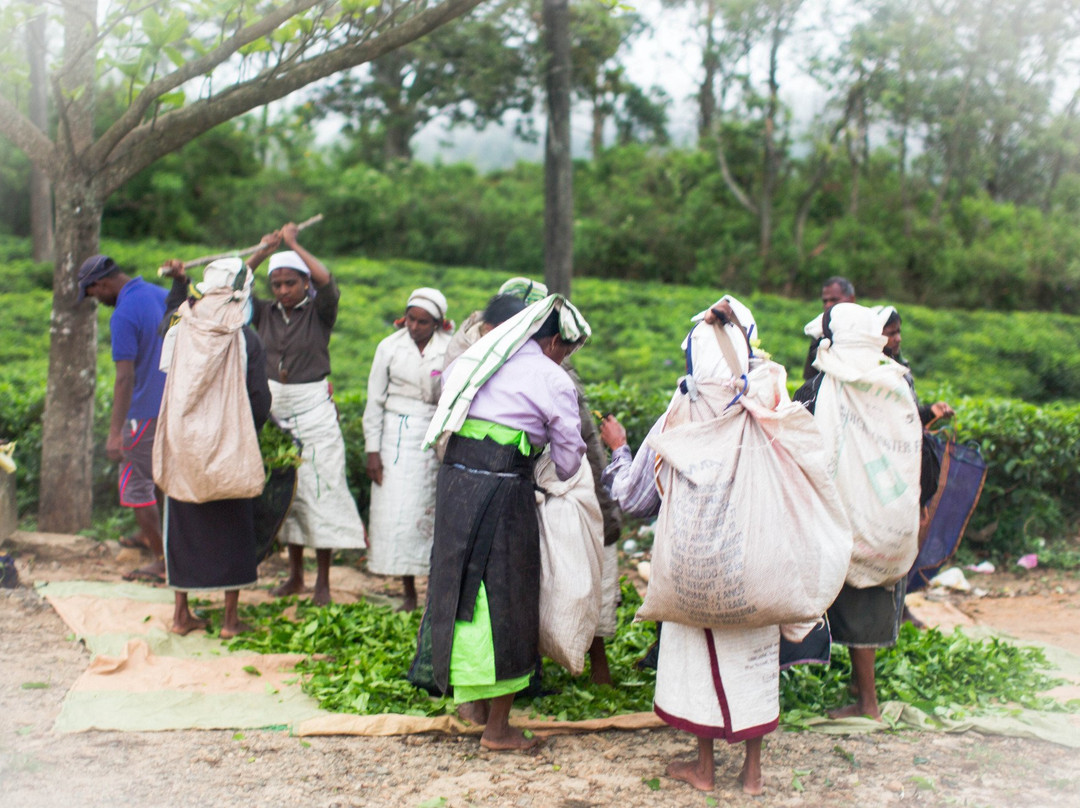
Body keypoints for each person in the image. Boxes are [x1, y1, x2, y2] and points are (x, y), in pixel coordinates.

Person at [599, 298, 777, 795]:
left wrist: (619, 450)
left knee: (700, 656)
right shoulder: (767, 406)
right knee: (752, 659)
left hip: (698, 566)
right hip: (757, 563)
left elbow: (634, 499)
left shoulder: (681, 414)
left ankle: (704, 767)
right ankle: (753, 774)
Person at [419, 295, 589, 751]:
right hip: (503, 493)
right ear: (553, 341)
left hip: (455, 486)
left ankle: (468, 704)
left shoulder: (471, 362)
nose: (564, 358)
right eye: (565, 350)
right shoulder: (551, 379)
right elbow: (570, 462)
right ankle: (497, 729)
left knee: (455, 588)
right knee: (506, 599)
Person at [794, 302, 921, 721]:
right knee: (861, 608)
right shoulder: (892, 380)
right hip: (884, 520)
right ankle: (861, 692)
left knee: (835, 601)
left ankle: (867, 704)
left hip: (846, 517)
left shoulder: (827, 387)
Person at [246, 223, 366, 606]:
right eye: (277, 284)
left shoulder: (320, 311)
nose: (282, 290)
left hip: (312, 406)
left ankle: (323, 583)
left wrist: (294, 244)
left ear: (303, 284)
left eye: (290, 283)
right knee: (285, 491)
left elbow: (328, 280)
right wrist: (264, 252)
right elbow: (233, 287)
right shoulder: (262, 312)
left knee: (321, 488)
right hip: (274, 407)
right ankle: (295, 577)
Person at [156, 258, 272, 637]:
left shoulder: (181, 323)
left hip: (183, 441)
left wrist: (179, 284)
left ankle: (181, 615)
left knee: (183, 524)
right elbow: (258, 397)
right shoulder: (244, 336)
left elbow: (164, 329)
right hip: (227, 446)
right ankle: (229, 620)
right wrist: (246, 434)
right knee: (233, 528)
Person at [77, 254, 168, 582]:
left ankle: (162, 560)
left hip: (142, 412)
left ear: (100, 284)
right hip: (171, 407)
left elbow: (124, 377)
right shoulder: (160, 293)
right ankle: (156, 542)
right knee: (161, 481)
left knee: (135, 485)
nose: (95, 300)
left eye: (92, 294)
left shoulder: (123, 314)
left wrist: (115, 433)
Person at [363, 288, 453, 612]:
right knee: (397, 514)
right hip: (394, 437)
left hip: (433, 435)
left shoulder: (449, 349)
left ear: (437, 323)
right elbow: (374, 400)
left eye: (423, 321)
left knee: (428, 513)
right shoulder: (389, 347)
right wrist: (373, 450)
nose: (414, 327)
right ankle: (407, 591)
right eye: (411, 319)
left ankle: (433, 592)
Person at [876, 305, 954, 628]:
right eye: (890, 333)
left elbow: (907, 416)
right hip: (886, 470)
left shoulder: (900, 367)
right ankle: (888, 614)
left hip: (908, 468)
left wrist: (929, 412)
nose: (897, 338)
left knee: (908, 537)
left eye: (898, 331)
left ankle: (900, 607)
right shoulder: (873, 372)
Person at [803, 276, 855, 380]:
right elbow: (810, 377)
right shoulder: (819, 331)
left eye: (834, 300)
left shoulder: (866, 329)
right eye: (825, 301)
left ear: (851, 299)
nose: (828, 305)